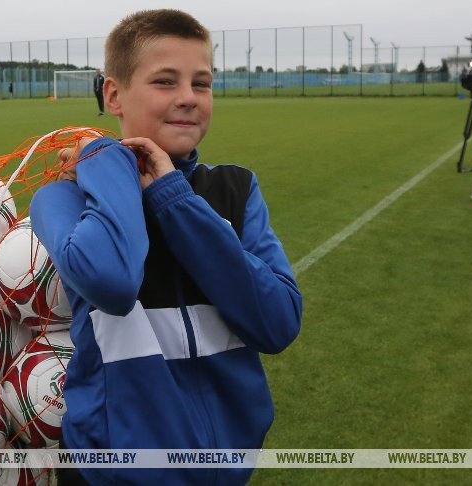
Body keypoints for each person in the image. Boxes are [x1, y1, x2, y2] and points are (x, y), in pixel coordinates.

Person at [29, 9, 301, 485]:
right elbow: (112, 282)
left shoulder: (235, 189)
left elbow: (278, 322)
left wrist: (173, 197)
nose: (188, 99)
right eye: (164, 82)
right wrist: (104, 160)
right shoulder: (64, 197)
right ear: (113, 94)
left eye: (202, 83)